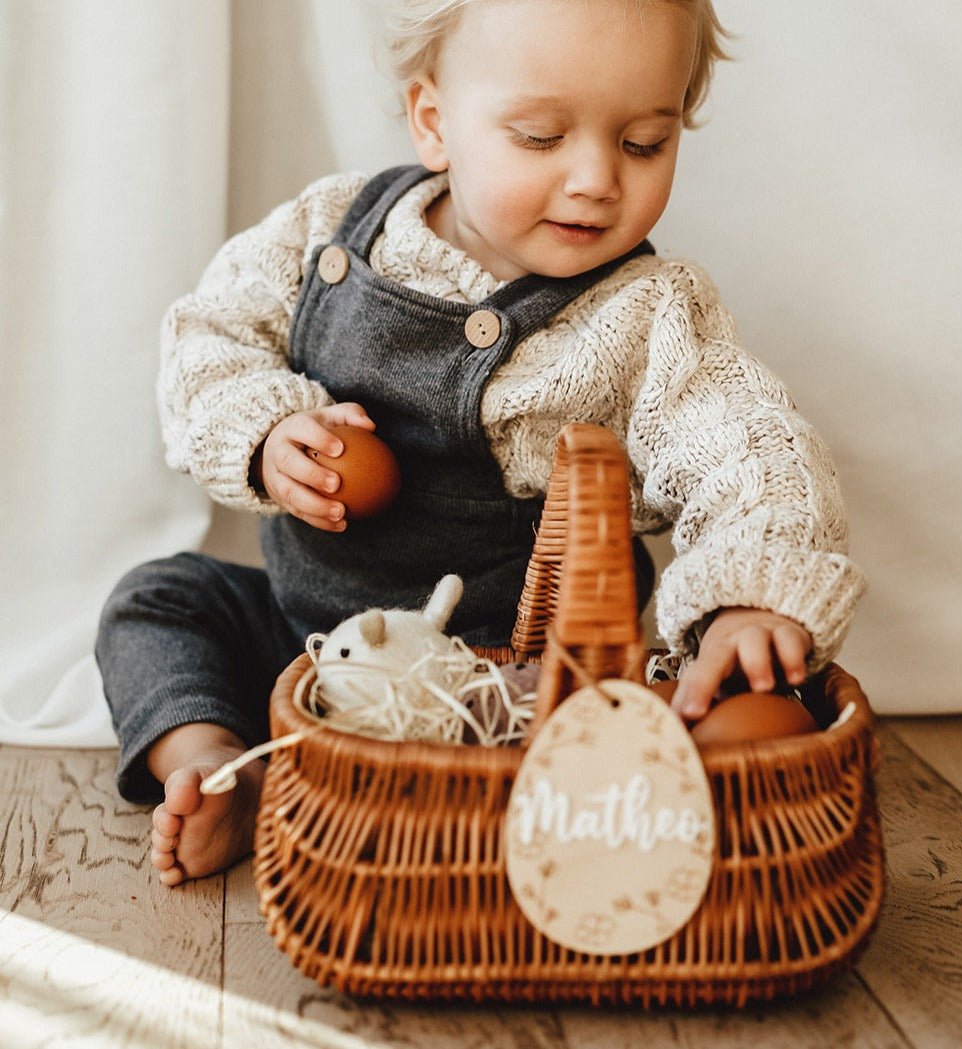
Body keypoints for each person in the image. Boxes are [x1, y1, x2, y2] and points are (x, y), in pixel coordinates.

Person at [96, 0, 866, 887]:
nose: (595, 178)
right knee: (157, 600)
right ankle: (226, 761)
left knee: (729, 703)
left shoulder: (644, 315)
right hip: (309, 647)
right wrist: (266, 426)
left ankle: (541, 815)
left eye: (644, 142)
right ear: (434, 122)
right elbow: (208, 333)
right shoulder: (327, 231)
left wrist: (747, 592)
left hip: (507, 685)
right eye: (540, 137)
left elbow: (751, 444)